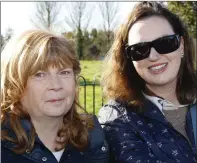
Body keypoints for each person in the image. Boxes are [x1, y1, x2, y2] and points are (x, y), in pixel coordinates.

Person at [98, 2, 197, 163]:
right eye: (140, 49)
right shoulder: (118, 119)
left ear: (182, 46)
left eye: (165, 43)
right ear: (128, 59)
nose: (153, 56)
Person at [1, 30, 109, 163]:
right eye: (39, 74)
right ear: (13, 85)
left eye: (64, 72)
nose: (56, 85)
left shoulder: (93, 136)